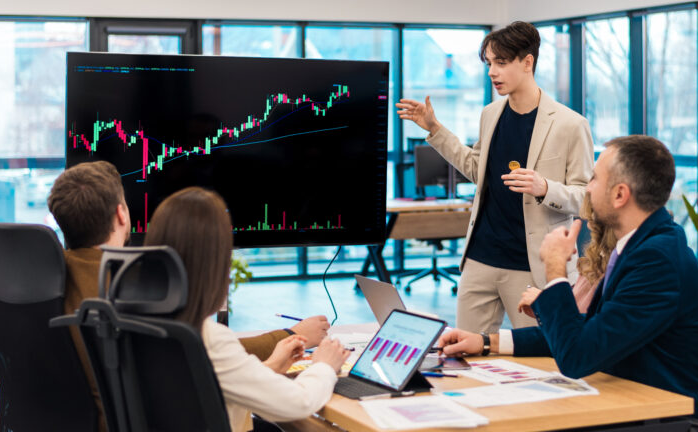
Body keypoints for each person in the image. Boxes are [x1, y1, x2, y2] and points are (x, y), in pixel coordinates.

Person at [438, 135, 698, 427]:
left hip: (665, 416)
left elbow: (576, 357)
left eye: (595, 179)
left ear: (620, 195)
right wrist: (486, 342)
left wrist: (556, 268)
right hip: (632, 396)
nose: (587, 188)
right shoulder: (640, 246)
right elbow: (586, 330)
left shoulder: (656, 261)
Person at [47, 161, 330, 430]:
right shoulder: (138, 298)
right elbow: (207, 354)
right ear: (122, 214)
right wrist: (315, 357)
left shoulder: (50, 286)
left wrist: (267, 368)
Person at [396, 21, 594, 332]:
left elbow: (587, 199)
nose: (492, 72)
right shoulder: (490, 114)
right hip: (480, 260)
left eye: (501, 62)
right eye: (489, 63)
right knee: (464, 356)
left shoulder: (571, 124)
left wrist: (545, 188)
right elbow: (476, 170)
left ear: (527, 62)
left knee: (537, 363)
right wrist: (434, 129)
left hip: (532, 266)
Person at [144, 187, 349, 432]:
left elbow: (211, 384)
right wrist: (324, 365)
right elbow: (298, 403)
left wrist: (270, 366)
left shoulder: (139, 320)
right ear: (214, 264)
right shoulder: (206, 338)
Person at [518, 194, 616, 318]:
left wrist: (546, 304)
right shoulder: (596, 262)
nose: (589, 225)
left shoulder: (614, 272)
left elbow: (580, 329)